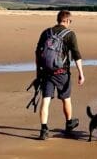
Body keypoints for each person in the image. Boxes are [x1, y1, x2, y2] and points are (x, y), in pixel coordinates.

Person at [35, 10, 85, 140]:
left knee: (45, 101)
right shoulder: (70, 34)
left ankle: (43, 130)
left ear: (58, 19)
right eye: (70, 21)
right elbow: (76, 55)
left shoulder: (46, 32)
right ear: (67, 21)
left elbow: (37, 53)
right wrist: (81, 73)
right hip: (62, 73)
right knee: (66, 99)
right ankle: (69, 125)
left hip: (46, 72)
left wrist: (38, 72)